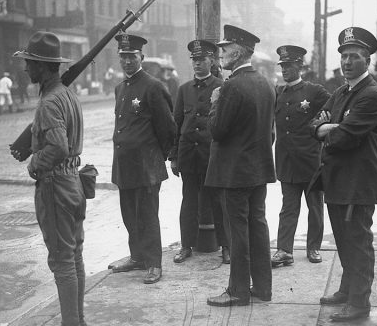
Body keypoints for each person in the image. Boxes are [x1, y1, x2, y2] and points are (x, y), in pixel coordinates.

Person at [309, 26, 377, 322]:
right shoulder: (343, 91)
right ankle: (346, 289)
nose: (346, 62)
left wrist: (329, 129)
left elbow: (344, 138)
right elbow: (315, 124)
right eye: (343, 56)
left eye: (354, 56)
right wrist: (324, 127)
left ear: (367, 60)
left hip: (357, 183)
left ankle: (359, 304)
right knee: (343, 240)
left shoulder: (371, 95)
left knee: (358, 243)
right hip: (338, 180)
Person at [11, 31, 87, 326]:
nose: (26, 68)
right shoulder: (67, 94)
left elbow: (57, 146)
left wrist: (34, 163)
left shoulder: (49, 102)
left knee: (61, 261)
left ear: (43, 66)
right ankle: (78, 321)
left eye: (30, 62)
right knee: (74, 255)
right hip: (73, 183)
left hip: (55, 185)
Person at [205, 25, 276, 307]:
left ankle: (238, 291)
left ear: (236, 52)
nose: (220, 54)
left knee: (237, 233)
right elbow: (269, 133)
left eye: (224, 49)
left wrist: (214, 103)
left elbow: (218, 131)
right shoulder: (265, 83)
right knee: (258, 228)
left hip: (234, 174)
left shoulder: (230, 86)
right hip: (258, 171)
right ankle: (262, 288)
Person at [109, 33, 176, 284]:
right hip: (125, 165)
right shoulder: (120, 88)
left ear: (141, 57)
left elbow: (168, 129)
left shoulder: (154, 86)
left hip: (146, 166)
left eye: (131, 56)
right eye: (123, 56)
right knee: (129, 215)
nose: (127, 61)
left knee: (147, 215)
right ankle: (137, 257)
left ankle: (154, 264)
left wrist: (157, 157)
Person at [168, 39, 230, 265]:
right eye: (194, 59)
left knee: (218, 203)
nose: (197, 64)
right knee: (189, 202)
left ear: (211, 60)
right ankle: (186, 245)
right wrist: (174, 156)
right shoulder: (184, 89)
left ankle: (226, 246)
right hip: (188, 156)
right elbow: (177, 124)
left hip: (212, 157)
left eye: (202, 59)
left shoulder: (222, 86)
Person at [271, 45, 330, 268]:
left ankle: (313, 247)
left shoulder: (314, 92)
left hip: (310, 160)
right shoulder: (278, 93)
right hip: (287, 161)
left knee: (314, 206)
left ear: (300, 66)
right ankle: (284, 250)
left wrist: (323, 123)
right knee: (288, 207)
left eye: (289, 65)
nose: (285, 69)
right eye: (283, 65)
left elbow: (334, 106)